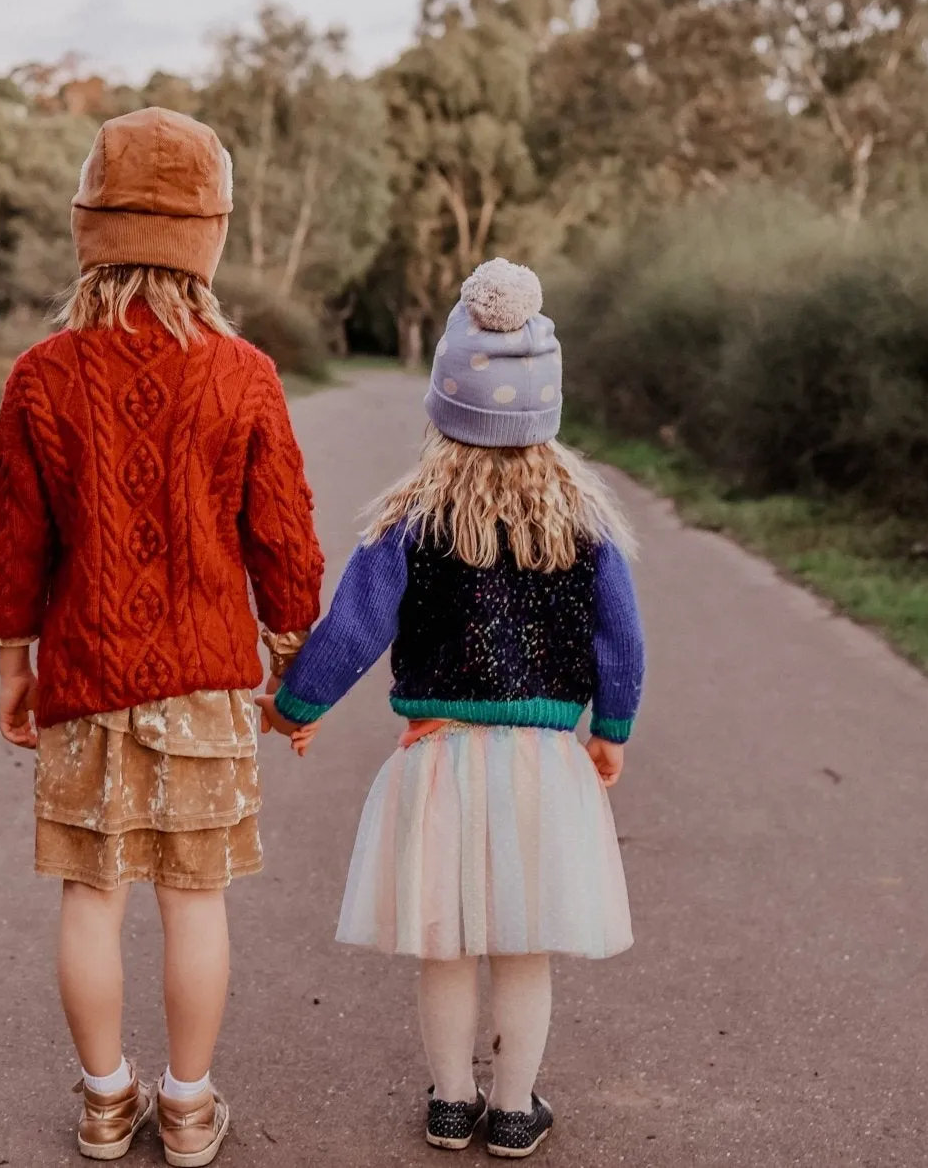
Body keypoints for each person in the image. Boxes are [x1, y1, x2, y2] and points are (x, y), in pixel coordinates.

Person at [0, 107, 324, 1166]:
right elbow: (284, 538)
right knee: (194, 900)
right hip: (208, 685)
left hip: (83, 679)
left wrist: (11, 663)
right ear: (206, 241)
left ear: (90, 228)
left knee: (92, 893)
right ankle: (184, 1103)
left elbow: (6, 535)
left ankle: (102, 1098)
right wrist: (293, 667)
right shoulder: (244, 372)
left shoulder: (42, 374)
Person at [263, 257, 645, 1160]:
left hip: (440, 759)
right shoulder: (582, 524)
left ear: (443, 404)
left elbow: (353, 628)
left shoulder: (410, 517)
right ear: (546, 409)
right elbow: (621, 641)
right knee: (523, 944)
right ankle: (515, 1109)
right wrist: (612, 731)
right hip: (545, 764)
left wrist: (294, 704)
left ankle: (449, 1099)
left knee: (445, 941)